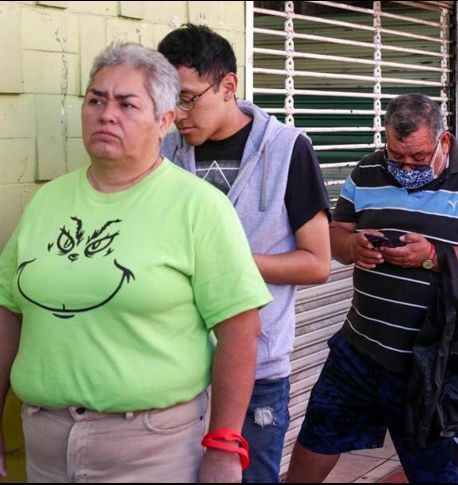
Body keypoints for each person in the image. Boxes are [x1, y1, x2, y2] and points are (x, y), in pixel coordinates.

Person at [0, 42, 272, 483]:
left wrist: (224, 444)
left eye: (127, 104)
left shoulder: (198, 207)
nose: (107, 114)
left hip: (151, 448)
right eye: (96, 100)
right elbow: (8, 310)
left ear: (165, 121)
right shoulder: (46, 201)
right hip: (45, 442)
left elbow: (240, 331)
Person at [284, 94, 458, 483]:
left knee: (439, 471)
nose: (406, 168)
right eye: (397, 158)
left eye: (418, 157)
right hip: (360, 348)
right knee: (317, 438)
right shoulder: (366, 172)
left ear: (443, 142)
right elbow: (336, 235)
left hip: (434, 364)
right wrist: (353, 246)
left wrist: (432, 254)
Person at [158, 24, 332, 483]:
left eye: (189, 97)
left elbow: (317, 263)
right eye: (169, 101)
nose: (177, 114)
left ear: (229, 85)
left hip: (258, 371)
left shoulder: (288, 150)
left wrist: (229, 266)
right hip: (175, 368)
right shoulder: (163, 152)